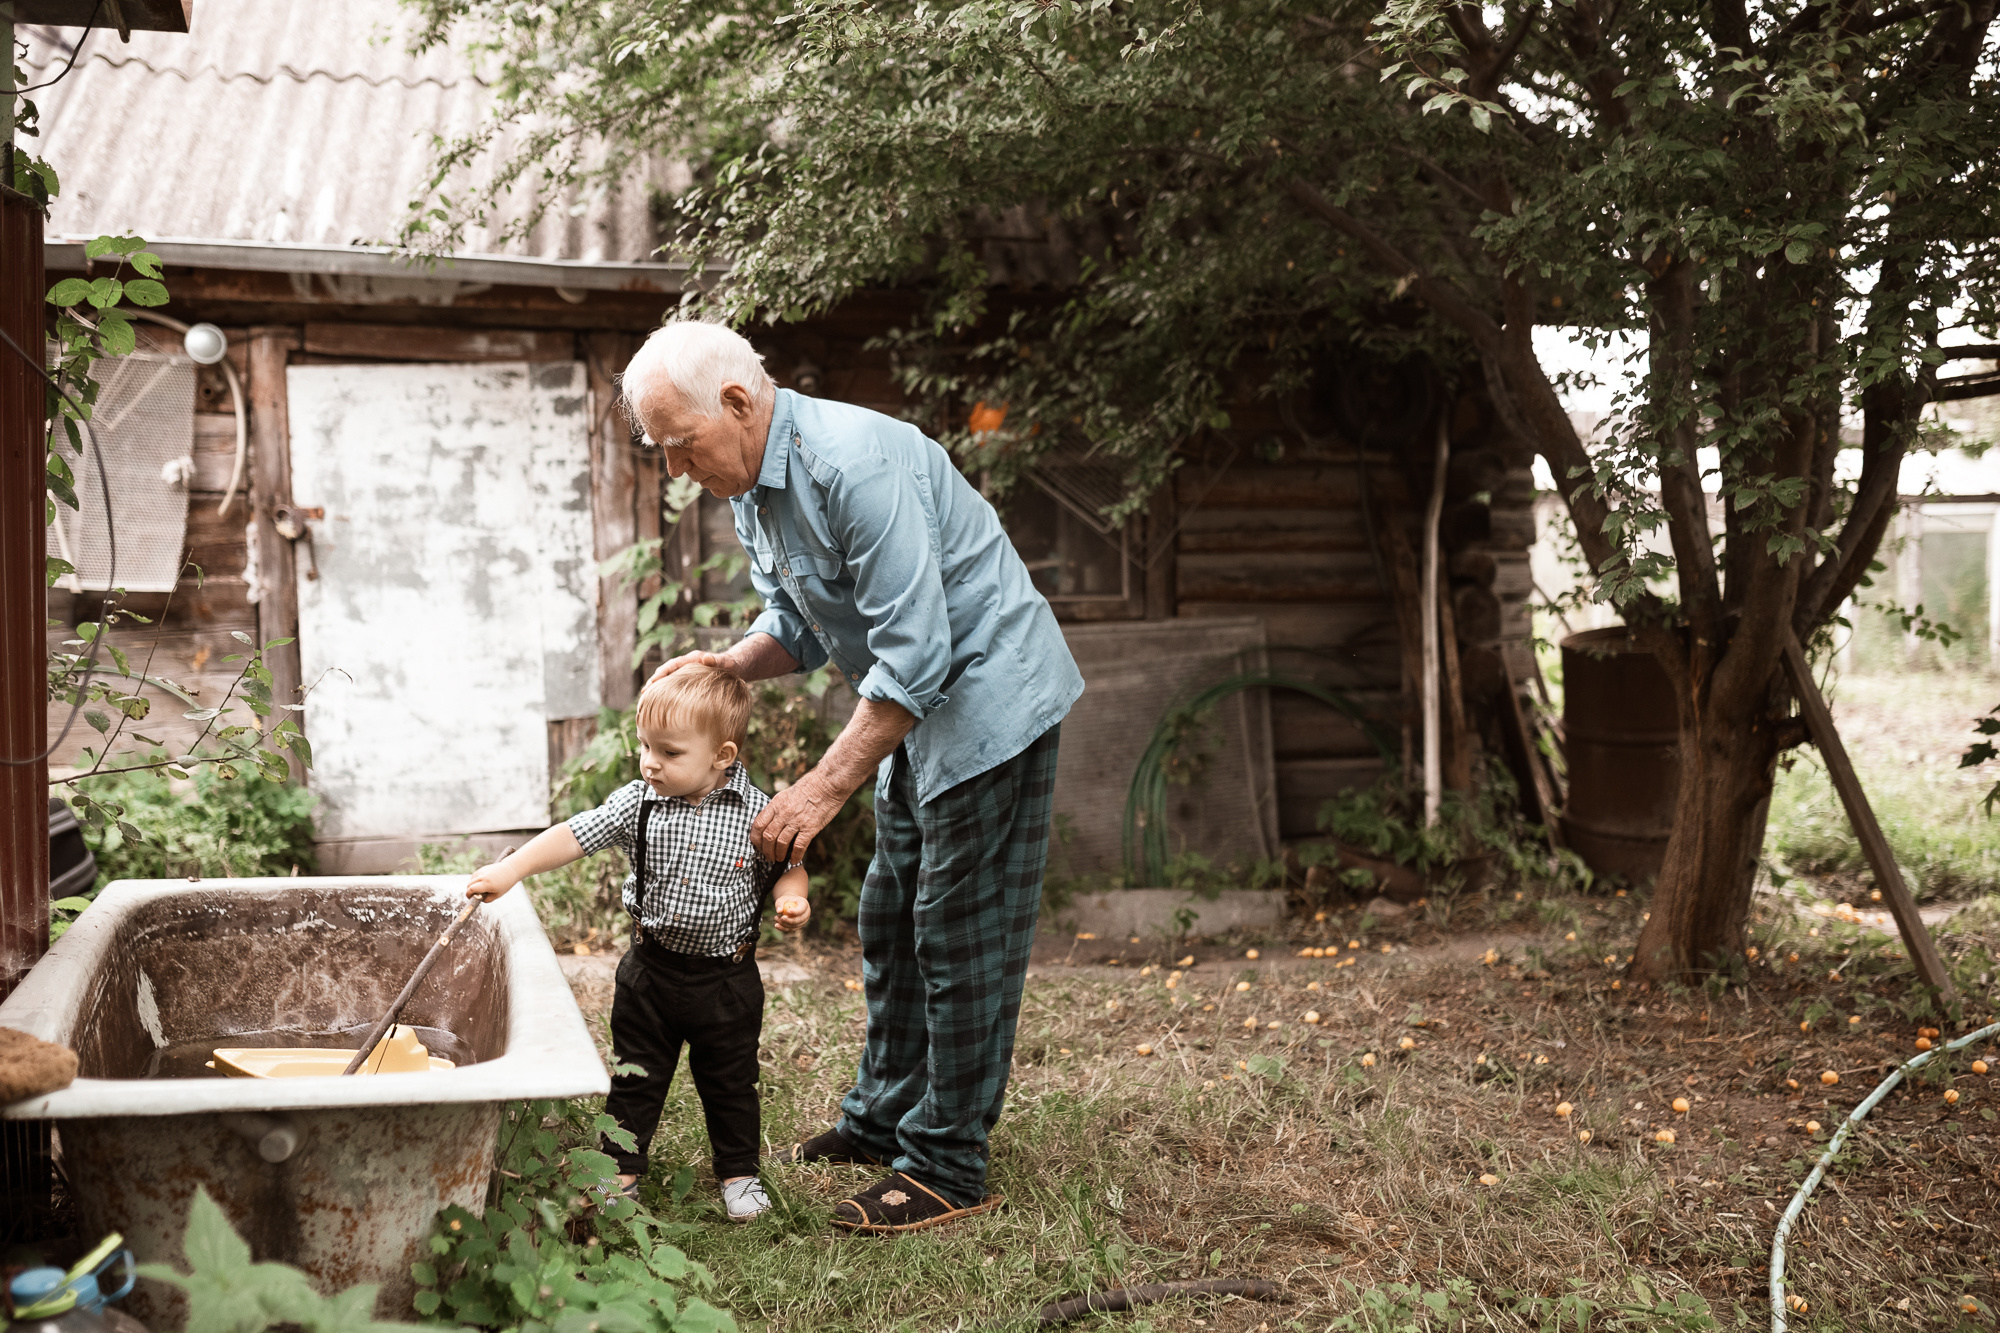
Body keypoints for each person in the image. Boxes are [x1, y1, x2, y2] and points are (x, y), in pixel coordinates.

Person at [623, 320, 1084, 1234]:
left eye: (683, 445)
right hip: (914, 710)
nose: (678, 470)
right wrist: (731, 664)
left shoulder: (854, 464)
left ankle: (949, 1161)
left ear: (739, 404)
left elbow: (917, 656)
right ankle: (881, 1119)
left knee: (957, 930)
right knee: (889, 910)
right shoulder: (754, 481)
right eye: (662, 451)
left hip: (989, 698)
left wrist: (817, 791)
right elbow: (795, 617)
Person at [464, 664, 810, 1222]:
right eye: (644, 746)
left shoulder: (759, 813)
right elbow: (574, 834)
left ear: (723, 755)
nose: (651, 762)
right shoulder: (638, 803)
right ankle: (621, 1169)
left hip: (727, 980)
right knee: (636, 1074)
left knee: (731, 1080)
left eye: (670, 753)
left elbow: (791, 864)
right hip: (650, 972)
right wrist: (514, 869)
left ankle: (739, 1172)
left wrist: (792, 897)